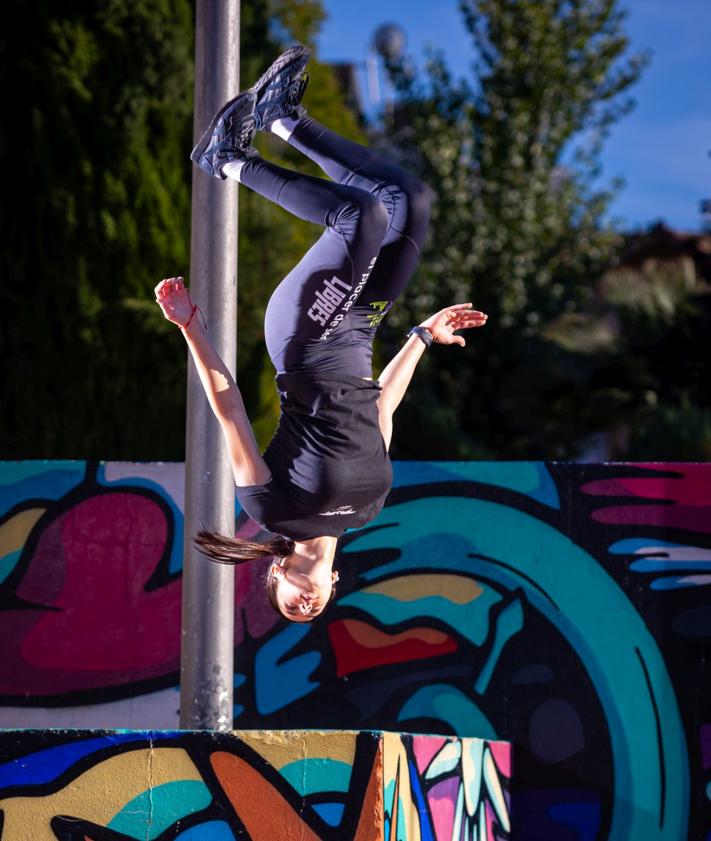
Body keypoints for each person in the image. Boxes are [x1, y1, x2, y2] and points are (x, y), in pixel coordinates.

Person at [155, 46, 487, 622]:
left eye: (290, 607)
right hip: (359, 329)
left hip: (306, 340)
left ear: (277, 574)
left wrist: (192, 329)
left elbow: (230, 408)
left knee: (361, 218)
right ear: (334, 583)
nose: (306, 604)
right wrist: (424, 338)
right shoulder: (368, 507)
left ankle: (227, 158)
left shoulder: (270, 509)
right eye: (316, 607)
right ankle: (283, 117)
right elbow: (380, 409)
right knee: (409, 202)